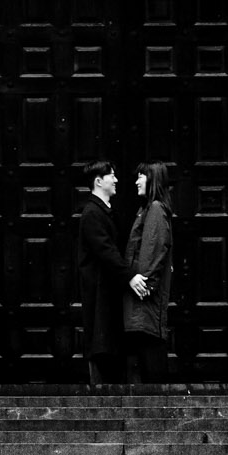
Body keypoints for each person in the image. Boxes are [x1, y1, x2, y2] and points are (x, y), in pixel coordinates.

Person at [74, 159, 149, 385]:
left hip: (108, 289)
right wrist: (130, 276)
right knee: (101, 343)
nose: (116, 180)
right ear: (99, 181)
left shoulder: (102, 211)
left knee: (108, 341)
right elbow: (106, 251)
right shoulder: (92, 214)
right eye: (112, 176)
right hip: (100, 290)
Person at [121, 162, 176, 383]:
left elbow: (152, 250)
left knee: (150, 363)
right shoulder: (149, 208)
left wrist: (143, 285)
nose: (136, 181)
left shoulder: (154, 209)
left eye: (141, 176)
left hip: (144, 303)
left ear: (152, 180)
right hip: (142, 305)